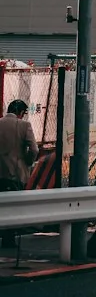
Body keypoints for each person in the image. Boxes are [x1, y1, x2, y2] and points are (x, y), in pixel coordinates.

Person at [0, 99, 38, 247]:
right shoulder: (24, 125)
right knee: (13, 207)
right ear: (21, 112)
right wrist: (27, 162)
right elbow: (34, 150)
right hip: (15, 172)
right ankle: (9, 239)